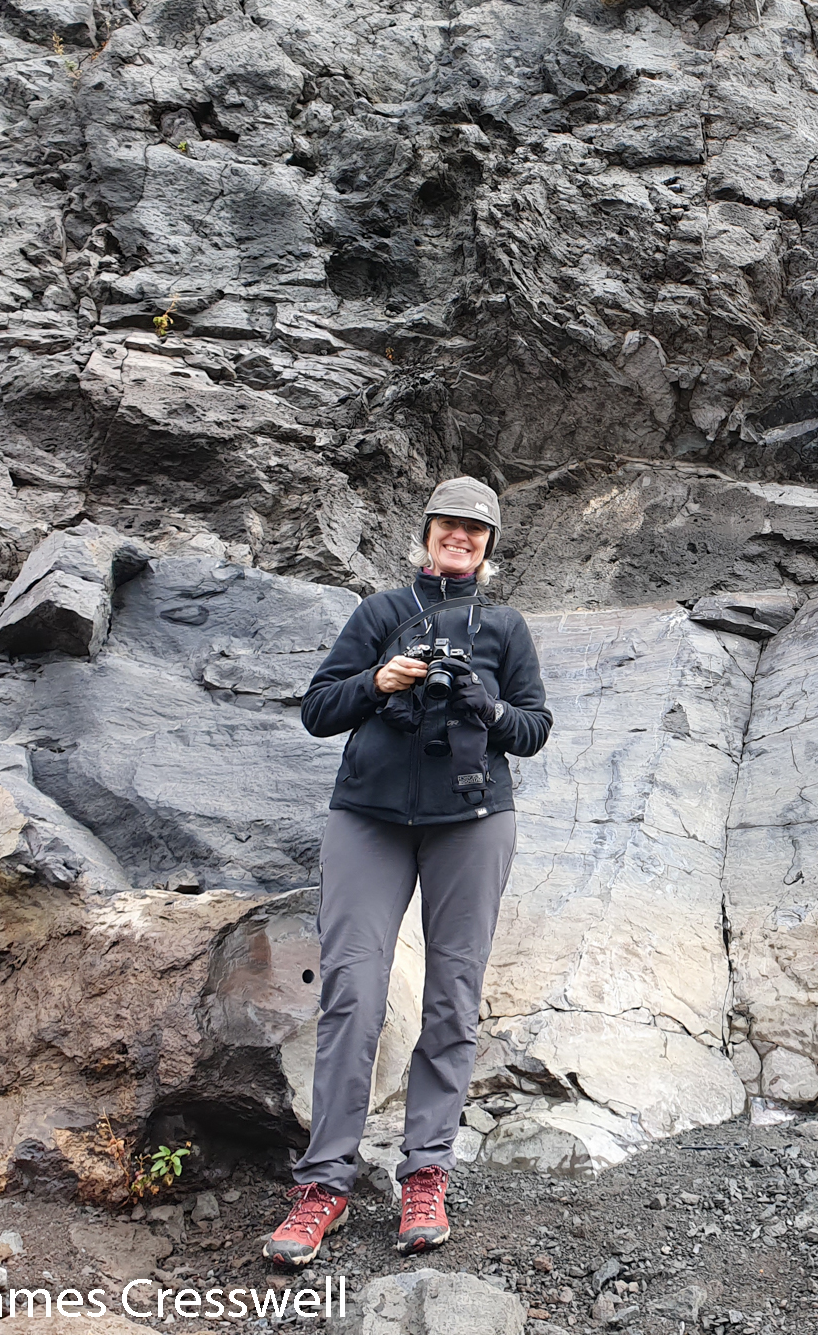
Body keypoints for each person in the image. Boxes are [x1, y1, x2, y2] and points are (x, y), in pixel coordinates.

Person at [264, 477, 553, 1266]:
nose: (459, 537)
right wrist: (380, 681)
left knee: (453, 995)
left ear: (488, 546)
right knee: (352, 991)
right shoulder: (380, 613)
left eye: (475, 529)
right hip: (369, 817)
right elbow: (319, 710)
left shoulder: (506, 626)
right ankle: (323, 1182)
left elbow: (534, 729)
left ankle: (426, 1172)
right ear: (425, 533)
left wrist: (487, 707)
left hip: (474, 819)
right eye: (448, 525)